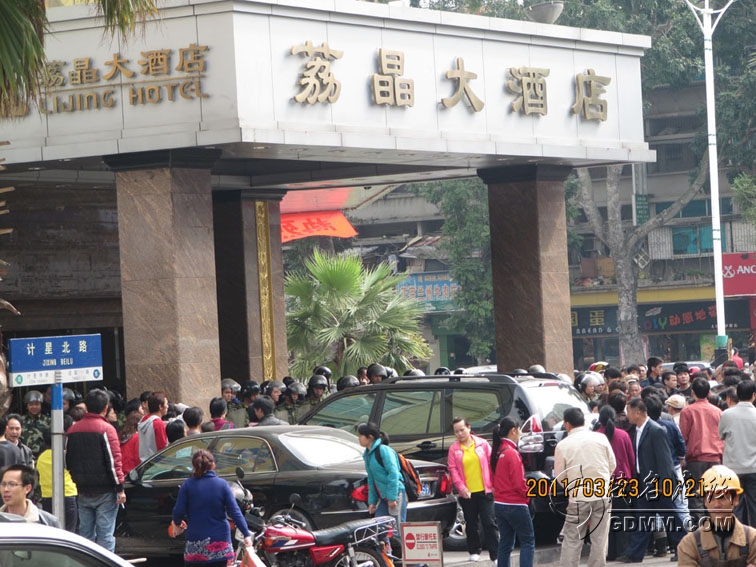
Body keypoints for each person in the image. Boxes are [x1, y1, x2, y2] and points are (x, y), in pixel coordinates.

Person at [621, 397, 685, 562]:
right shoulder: (637, 430)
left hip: (657, 483)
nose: (627, 415)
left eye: (629, 412)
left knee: (670, 518)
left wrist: (665, 484)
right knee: (643, 518)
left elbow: (665, 460)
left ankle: (685, 549)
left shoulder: (656, 430)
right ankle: (634, 554)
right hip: (644, 481)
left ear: (637, 412)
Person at [65, 388, 126, 552]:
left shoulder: (72, 430)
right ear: (105, 408)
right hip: (105, 491)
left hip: (82, 489)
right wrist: (120, 488)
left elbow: (68, 460)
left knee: (85, 534)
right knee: (105, 535)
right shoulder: (107, 429)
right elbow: (114, 462)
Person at [554, 407, 616, 567]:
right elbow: (612, 465)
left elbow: (560, 476)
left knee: (572, 538)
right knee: (600, 537)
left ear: (567, 424)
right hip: (602, 493)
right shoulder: (601, 438)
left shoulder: (563, 445)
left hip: (578, 496)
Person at [171, 450, 252, 567]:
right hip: (220, 543)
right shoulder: (222, 485)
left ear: (194, 466)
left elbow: (178, 511)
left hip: (196, 542)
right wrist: (246, 534)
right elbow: (235, 512)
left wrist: (177, 524)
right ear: (213, 464)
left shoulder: (187, 485)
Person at [677, 465, 756, 565]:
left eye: (722, 497)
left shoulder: (752, 539)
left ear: (735, 499)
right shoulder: (690, 544)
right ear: (705, 501)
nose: (716, 504)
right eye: (711, 498)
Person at [447, 417, 498, 562]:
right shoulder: (454, 449)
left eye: (462, 430)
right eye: (456, 431)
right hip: (467, 493)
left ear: (469, 428)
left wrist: (494, 484)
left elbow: (492, 464)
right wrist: (461, 488)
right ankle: (474, 550)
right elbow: (453, 470)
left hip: (485, 490)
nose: (460, 434)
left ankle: (495, 553)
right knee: (471, 523)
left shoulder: (482, 444)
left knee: (489, 522)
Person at [593, 405, 634, 562]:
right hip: (623, 481)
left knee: (605, 520)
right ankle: (622, 550)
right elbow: (631, 459)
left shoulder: (595, 436)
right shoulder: (623, 435)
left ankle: (609, 552)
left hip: (602, 482)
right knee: (623, 518)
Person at [680, 377, 724, 522]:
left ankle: (701, 529)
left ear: (692, 392)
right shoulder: (718, 411)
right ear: (708, 393)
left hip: (695, 459)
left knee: (696, 496)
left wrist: (682, 457)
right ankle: (716, 526)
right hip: (715, 458)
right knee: (714, 495)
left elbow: (683, 436)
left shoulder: (687, 411)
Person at [490, 416, 533, 567]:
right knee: (528, 541)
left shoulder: (497, 452)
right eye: (519, 430)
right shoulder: (511, 453)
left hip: (499, 503)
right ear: (513, 430)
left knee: (505, 543)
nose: (520, 433)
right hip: (515, 503)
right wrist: (528, 496)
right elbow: (519, 483)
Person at [719, 379, 756, 527]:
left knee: (735, 505)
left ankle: (737, 535)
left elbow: (721, 435)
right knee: (754, 506)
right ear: (753, 395)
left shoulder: (727, 414)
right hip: (754, 467)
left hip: (733, 467)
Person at [357, 422, 407, 530]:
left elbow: (393, 474)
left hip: (396, 494)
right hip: (383, 497)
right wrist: (372, 502)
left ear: (370, 437)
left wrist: (392, 498)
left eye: (361, 435)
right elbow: (371, 480)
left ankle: (399, 543)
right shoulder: (367, 455)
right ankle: (386, 543)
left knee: (397, 530)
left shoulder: (384, 450)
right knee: (379, 529)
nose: (358, 438)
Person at [37, 426, 78, 531]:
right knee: (69, 531)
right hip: (68, 494)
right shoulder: (63, 455)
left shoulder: (41, 457)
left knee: (51, 529)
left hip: (47, 496)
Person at [138, 390, 169, 462]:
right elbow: (163, 449)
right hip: (156, 464)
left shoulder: (143, 419)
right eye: (166, 404)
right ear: (160, 406)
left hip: (144, 463)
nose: (168, 406)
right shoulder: (158, 423)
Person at [20, 390, 50, 458]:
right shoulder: (21, 420)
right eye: (31, 404)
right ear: (27, 406)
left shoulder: (48, 421)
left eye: (37, 404)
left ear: (41, 405)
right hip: (24, 455)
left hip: (42, 455)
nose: (34, 407)